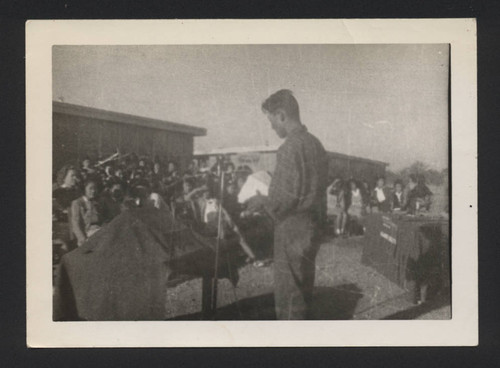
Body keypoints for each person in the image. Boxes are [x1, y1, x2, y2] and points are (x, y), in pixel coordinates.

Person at [247, 89, 328, 319]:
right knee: (303, 289)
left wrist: (262, 201)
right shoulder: (316, 145)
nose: (272, 128)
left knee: (289, 296)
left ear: (281, 115)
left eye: (272, 121)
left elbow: (284, 197)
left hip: (292, 228)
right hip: (313, 226)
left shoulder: (290, 148)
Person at [71, 180, 103, 246]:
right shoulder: (77, 203)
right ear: (84, 189)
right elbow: (75, 224)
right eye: (90, 188)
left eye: (95, 188)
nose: (93, 191)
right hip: (87, 235)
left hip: (99, 231)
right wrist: (83, 240)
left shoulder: (96, 203)